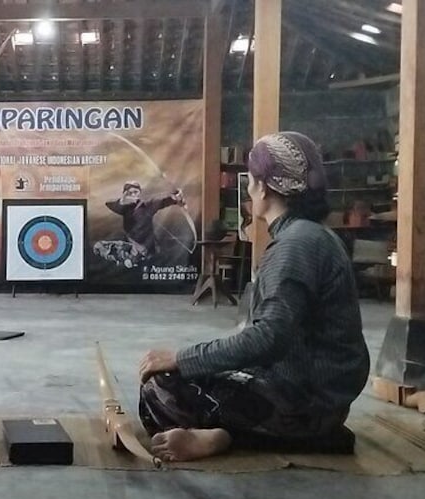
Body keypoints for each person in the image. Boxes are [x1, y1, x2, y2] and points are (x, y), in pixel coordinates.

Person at [138, 132, 370, 462]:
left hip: (303, 402)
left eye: (250, 181)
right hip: (318, 395)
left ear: (263, 187)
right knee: (190, 377)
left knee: (159, 389)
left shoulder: (295, 245)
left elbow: (267, 339)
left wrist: (182, 358)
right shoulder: (314, 236)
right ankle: (258, 431)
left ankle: (236, 436)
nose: (249, 190)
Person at [93, 181, 186, 268]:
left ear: (139, 193)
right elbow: (108, 203)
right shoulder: (123, 208)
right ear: (125, 194)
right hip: (132, 245)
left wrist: (175, 199)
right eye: (130, 193)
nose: (133, 195)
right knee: (102, 246)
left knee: (140, 258)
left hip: (147, 247)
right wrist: (123, 200)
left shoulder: (147, 205)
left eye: (135, 192)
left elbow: (162, 202)